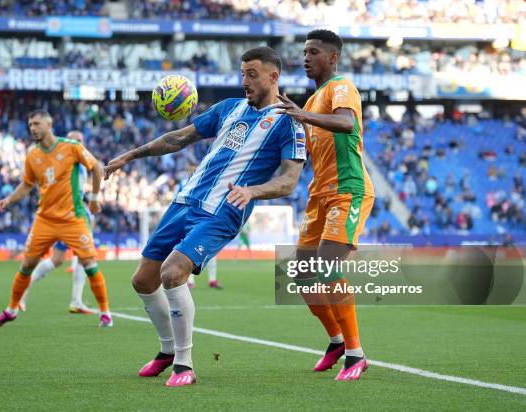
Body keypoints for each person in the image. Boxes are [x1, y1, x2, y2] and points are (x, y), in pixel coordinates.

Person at [104, 46, 306, 387]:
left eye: (252, 75)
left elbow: (289, 181)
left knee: (172, 273)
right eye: (242, 74)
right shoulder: (230, 108)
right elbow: (180, 137)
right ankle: (167, 350)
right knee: (142, 280)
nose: (245, 81)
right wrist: (130, 155)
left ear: (274, 77)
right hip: (185, 201)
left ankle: (184, 365)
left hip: (223, 210)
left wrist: (253, 192)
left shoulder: (290, 123)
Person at [277, 29, 375, 381]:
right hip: (319, 195)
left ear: (332, 58)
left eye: (313, 51)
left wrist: (301, 117)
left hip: (348, 190)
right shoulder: (311, 100)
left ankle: (355, 353)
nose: (306, 57)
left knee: (328, 264)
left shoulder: (341, 87)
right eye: (304, 51)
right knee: (302, 274)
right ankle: (335, 341)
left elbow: (346, 123)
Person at [0, 110, 112, 328]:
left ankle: (105, 313)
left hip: (73, 218)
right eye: (30, 124)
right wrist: (9, 199)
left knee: (89, 264)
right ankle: (12, 310)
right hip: (44, 219)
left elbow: (97, 167)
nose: (32, 128)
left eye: (36, 123)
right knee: (26, 265)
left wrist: (93, 198)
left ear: (49, 123)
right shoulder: (32, 154)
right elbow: (27, 184)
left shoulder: (71, 147)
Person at [19, 130, 95, 315]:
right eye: (74, 140)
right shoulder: (63, 160)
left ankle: (76, 301)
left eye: (81, 140)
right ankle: (23, 292)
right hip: (66, 215)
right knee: (74, 258)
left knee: (63, 258)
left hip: (75, 211)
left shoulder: (81, 161)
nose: (78, 143)